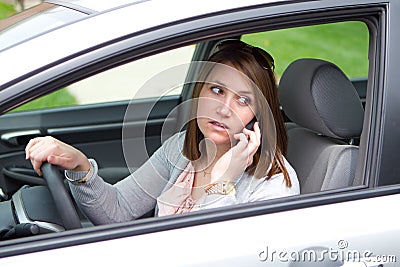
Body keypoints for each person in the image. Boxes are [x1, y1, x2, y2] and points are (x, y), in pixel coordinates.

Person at [25, 40, 300, 225]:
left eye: (243, 100)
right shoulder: (182, 147)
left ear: (258, 116)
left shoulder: (274, 184)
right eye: (216, 90)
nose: (224, 109)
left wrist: (223, 179)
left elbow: (218, 252)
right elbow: (119, 211)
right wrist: (80, 166)